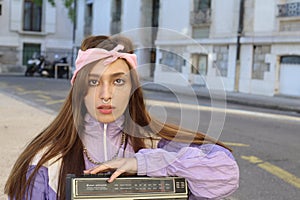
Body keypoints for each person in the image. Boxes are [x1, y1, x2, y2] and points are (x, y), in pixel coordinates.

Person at [5, 35, 239, 200]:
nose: (106, 95)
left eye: (118, 81)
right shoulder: (46, 161)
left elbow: (226, 173)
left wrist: (143, 162)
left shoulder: (157, 144)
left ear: (132, 88)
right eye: (94, 81)